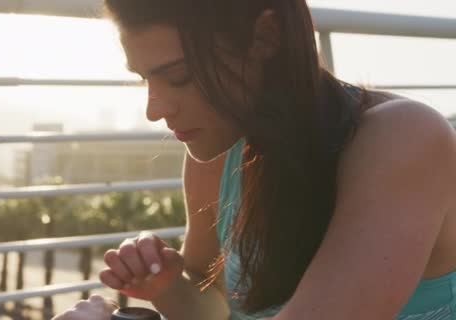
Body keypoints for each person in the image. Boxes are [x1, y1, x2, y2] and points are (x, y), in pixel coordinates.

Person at [53, 0, 456, 319]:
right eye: (145, 79)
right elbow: (218, 309)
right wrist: (168, 287)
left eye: (178, 76)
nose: (154, 110)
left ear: (265, 35)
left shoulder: (405, 137)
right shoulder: (220, 146)